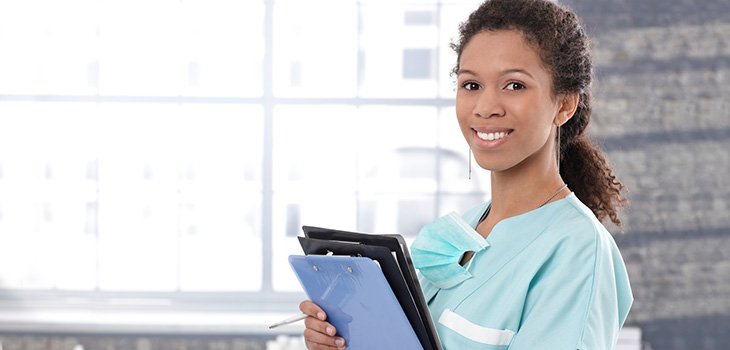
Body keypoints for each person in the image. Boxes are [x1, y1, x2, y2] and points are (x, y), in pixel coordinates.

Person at [298, 0, 633, 348]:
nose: (486, 108)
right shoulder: (455, 236)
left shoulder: (578, 251)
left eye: (514, 85)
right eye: (471, 85)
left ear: (564, 104)